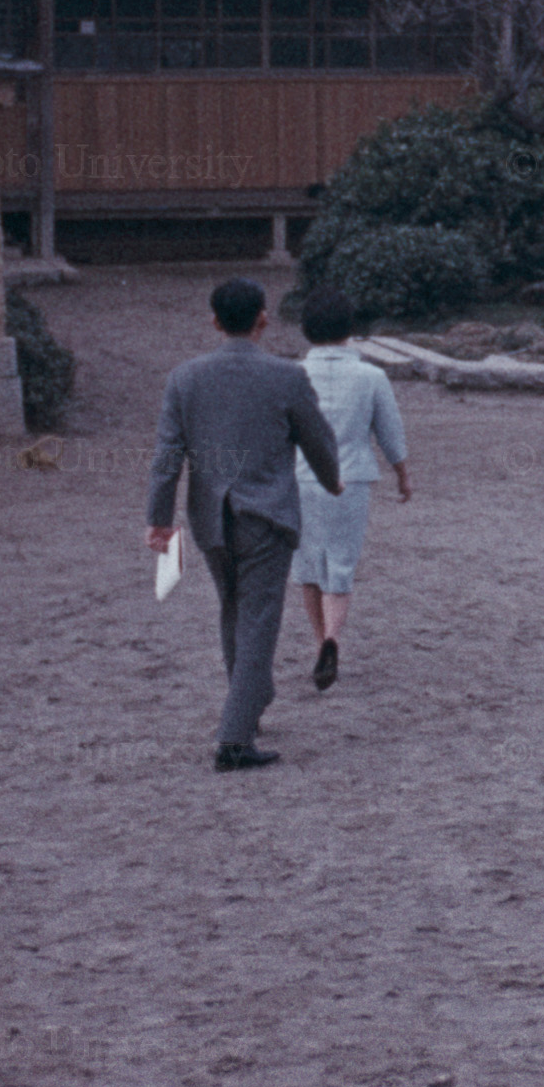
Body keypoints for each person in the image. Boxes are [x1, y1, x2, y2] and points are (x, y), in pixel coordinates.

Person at [148, 275, 345, 773]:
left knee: (234, 611)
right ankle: (235, 738)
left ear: (214, 321)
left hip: (210, 518)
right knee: (258, 619)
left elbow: (167, 457)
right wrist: (333, 482)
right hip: (268, 515)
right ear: (263, 318)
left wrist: (159, 520)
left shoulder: (184, 378)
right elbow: (317, 439)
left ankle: (250, 702)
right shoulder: (287, 377)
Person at [291, 288, 411, 690]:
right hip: (352, 478)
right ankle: (333, 639)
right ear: (350, 327)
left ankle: (318, 643)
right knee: (340, 563)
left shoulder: (293, 375)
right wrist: (402, 474)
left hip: (301, 478)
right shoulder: (371, 377)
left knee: (309, 565)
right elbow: (390, 432)